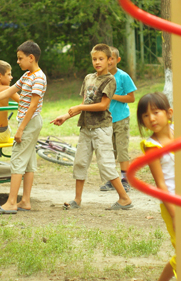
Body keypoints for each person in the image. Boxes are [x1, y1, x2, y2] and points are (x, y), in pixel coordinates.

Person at [51, 43, 132, 211]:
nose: (97, 62)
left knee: (106, 164)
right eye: (94, 59)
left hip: (102, 128)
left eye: (101, 59)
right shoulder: (89, 78)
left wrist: (80, 108)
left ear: (110, 60)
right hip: (86, 127)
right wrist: (66, 116)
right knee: (80, 162)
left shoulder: (110, 79)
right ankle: (77, 200)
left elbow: (103, 106)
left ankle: (124, 198)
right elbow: (85, 103)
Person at [0, 41, 46, 214]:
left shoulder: (38, 78)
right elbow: (7, 91)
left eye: (20, 58)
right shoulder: (28, 75)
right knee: (28, 162)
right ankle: (25, 201)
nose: (18, 62)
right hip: (29, 123)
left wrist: (20, 129)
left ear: (31, 57)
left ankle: (11, 202)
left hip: (29, 123)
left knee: (17, 161)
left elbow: (33, 106)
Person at [136, 92, 175, 281]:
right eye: (145, 115)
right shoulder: (152, 146)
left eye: (156, 112)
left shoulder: (180, 131)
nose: (151, 118)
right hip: (172, 203)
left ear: (169, 113)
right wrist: (175, 214)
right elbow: (161, 185)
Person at [99, 46, 136, 193]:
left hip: (121, 118)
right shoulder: (100, 76)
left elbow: (131, 98)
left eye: (111, 58)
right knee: (108, 150)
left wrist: (112, 96)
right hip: (105, 119)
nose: (108, 61)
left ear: (117, 60)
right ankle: (111, 180)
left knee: (121, 149)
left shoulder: (123, 77)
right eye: (105, 58)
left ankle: (125, 180)